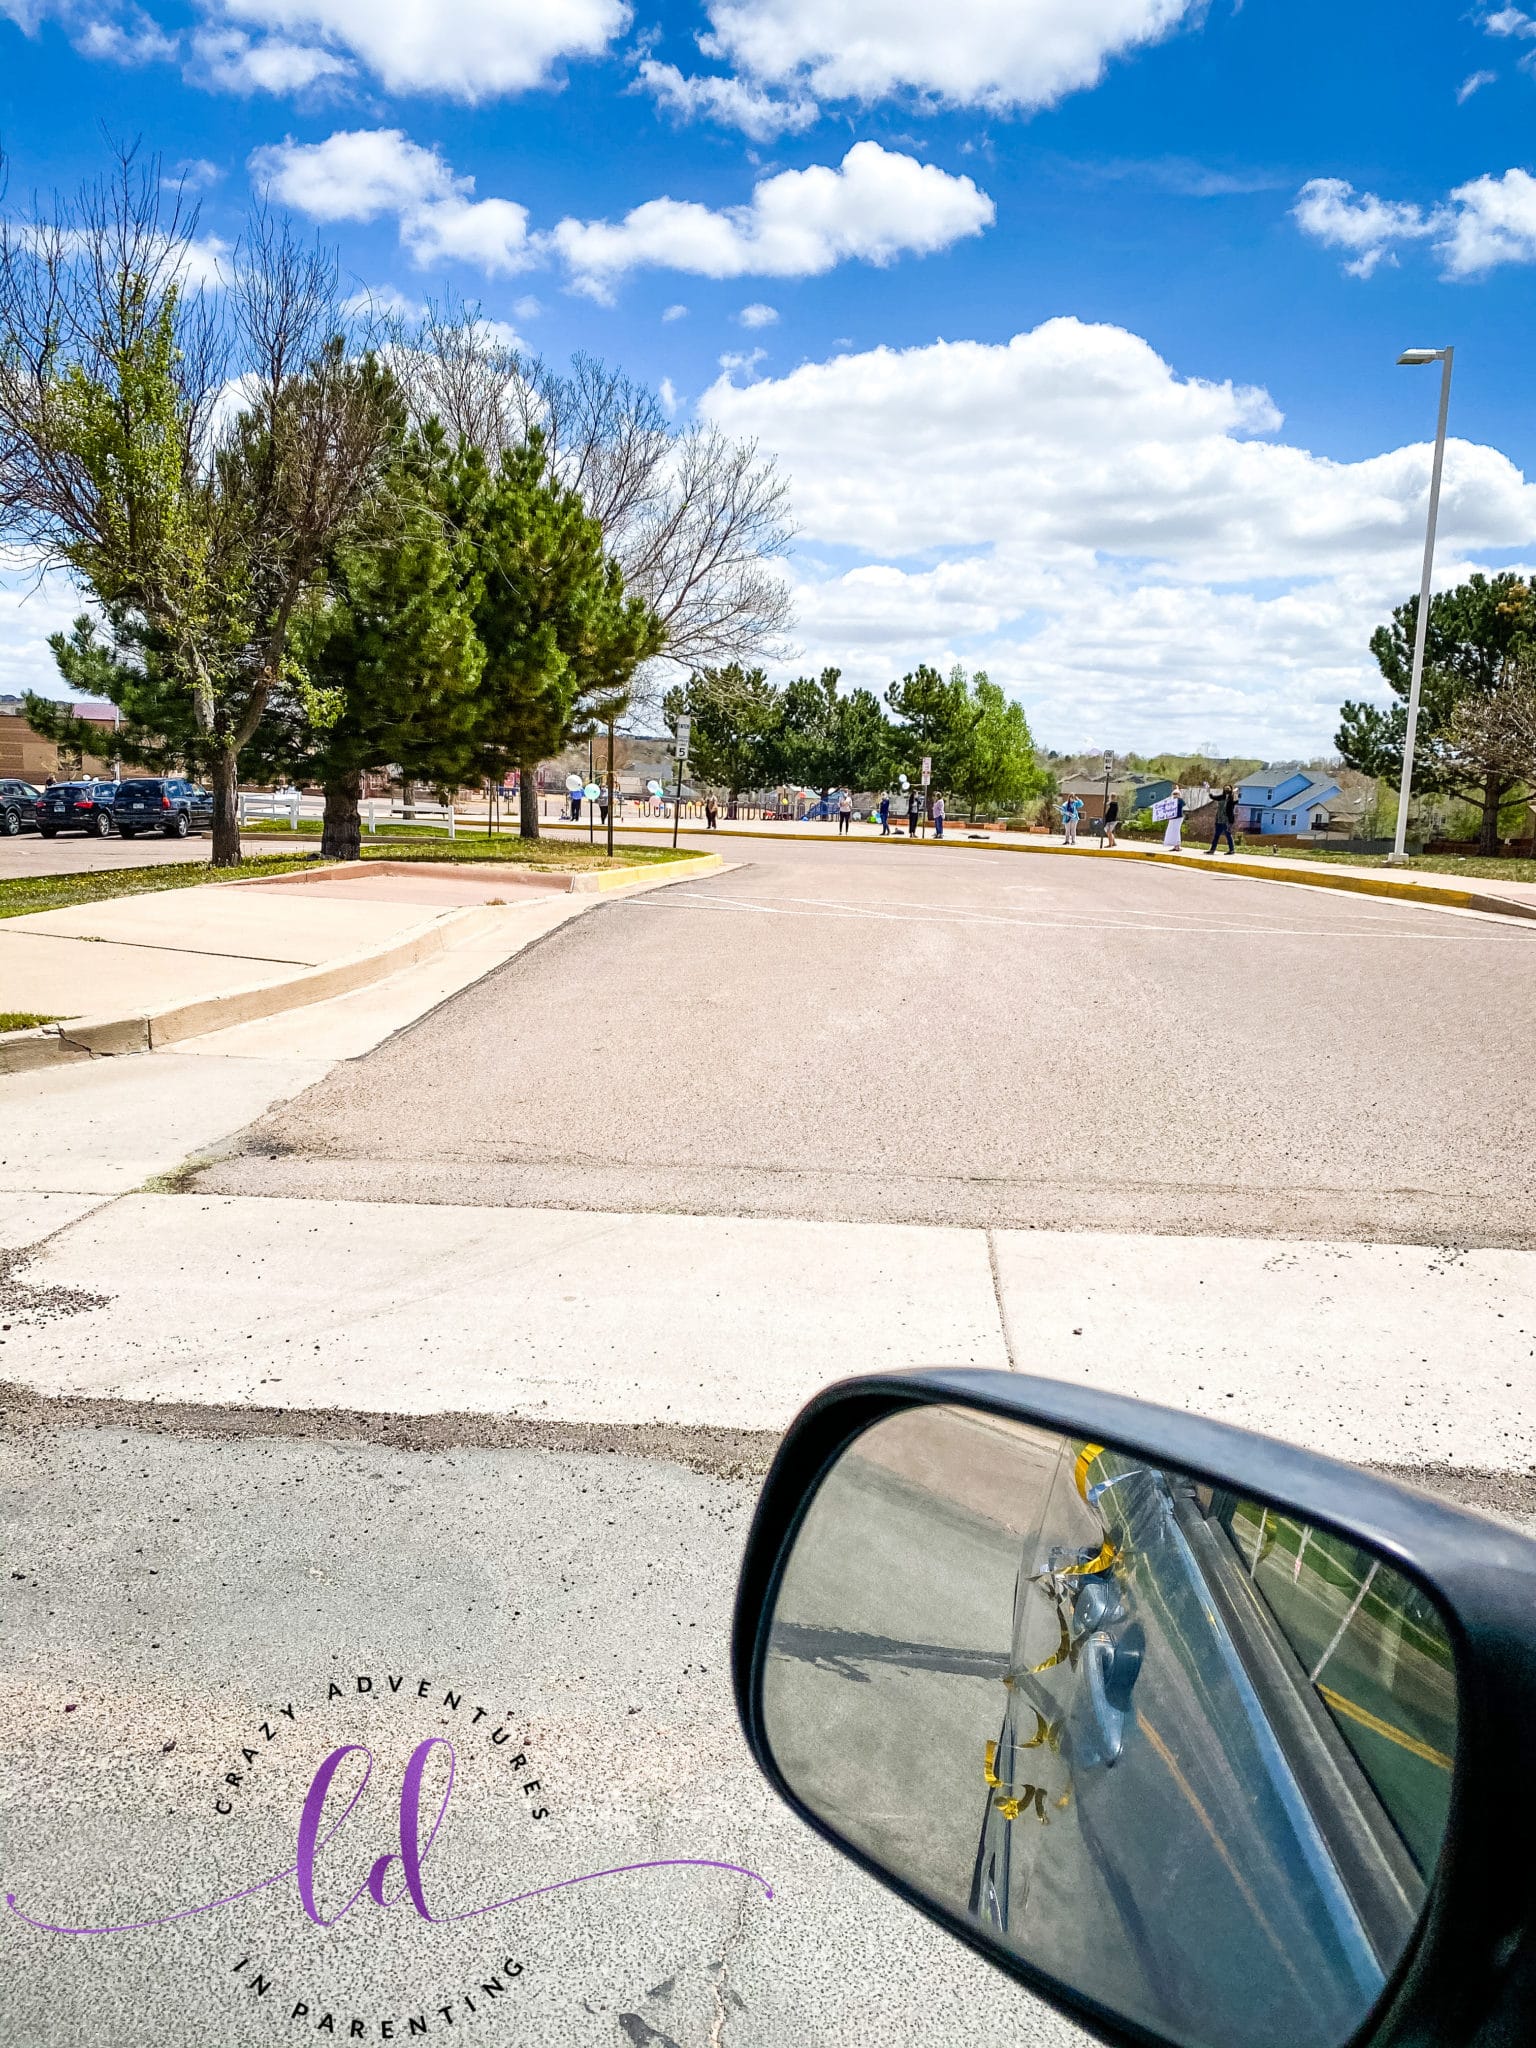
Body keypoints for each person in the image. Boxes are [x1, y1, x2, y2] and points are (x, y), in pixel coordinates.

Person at [1208, 783, 1236, 856]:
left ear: (1230, 790)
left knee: (1228, 835)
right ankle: (1212, 850)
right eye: (1225, 788)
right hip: (1219, 819)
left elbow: (1236, 801)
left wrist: (1235, 794)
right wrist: (1209, 791)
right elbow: (1213, 797)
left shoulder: (1232, 798)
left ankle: (1231, 850)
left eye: (1228, 789)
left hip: (1227, 819)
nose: (1226, 790)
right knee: (1216, 835)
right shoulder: (1221, 797)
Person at [1162, 785, 1186, 853]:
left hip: (1178, 817)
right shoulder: (1171, 801)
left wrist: (1178, 793)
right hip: (1172, 818)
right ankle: (1174, 845)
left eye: (1176, 794)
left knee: (1176, 831)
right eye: (1174, 794)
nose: (1175, 795)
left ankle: (1177, 846)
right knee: (1172, 831)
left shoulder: (1180, 800)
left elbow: (1183, 804)